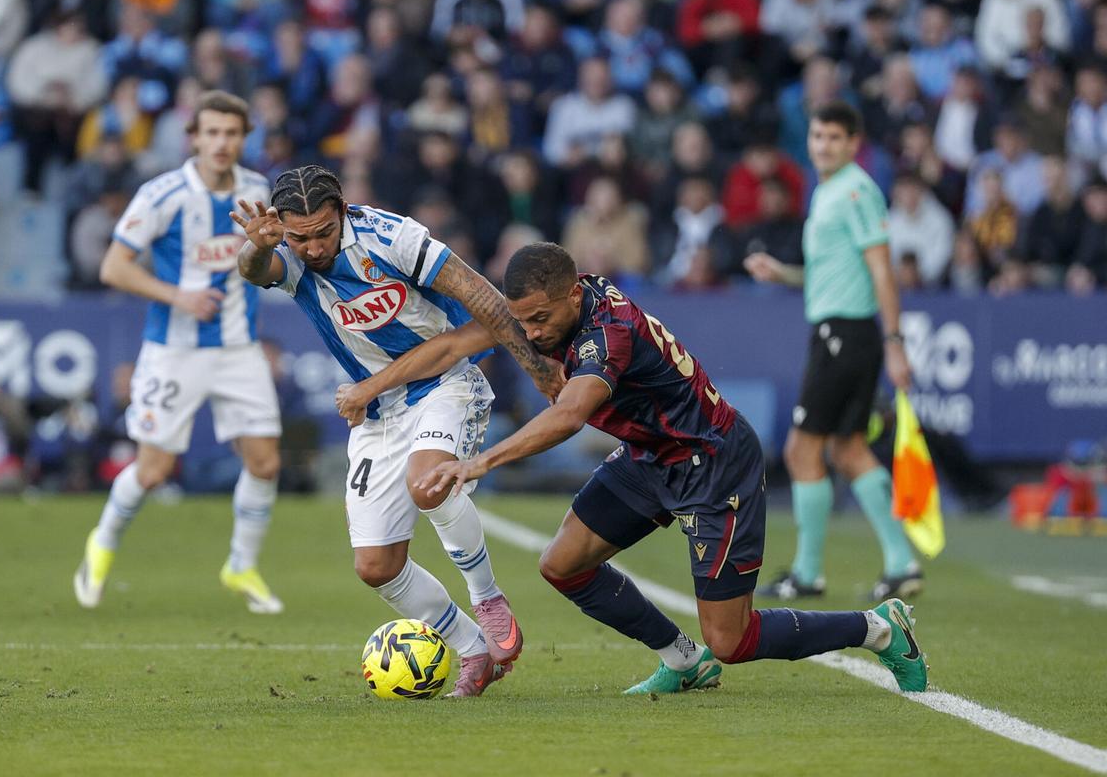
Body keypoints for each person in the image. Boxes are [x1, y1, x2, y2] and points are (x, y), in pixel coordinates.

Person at [336, 243, 927, 697]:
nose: (532, 334)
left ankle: (878, 627)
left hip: (711, 462)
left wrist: (481, 461)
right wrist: (372, 386)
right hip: (649, 457)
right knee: (563, 565)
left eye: (540, 321)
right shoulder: (550, 308)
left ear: (572, 297)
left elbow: (569, 416)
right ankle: (680, 660)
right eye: (524, 322)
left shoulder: (607, 332)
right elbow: (452, 347)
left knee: (733, 639)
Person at [232, 165, 563, 697]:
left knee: (428, 481)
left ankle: (488, 596)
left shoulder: (394, 237)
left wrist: (536, 364)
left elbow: (477, 293)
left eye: (323, 232)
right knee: (375, 566)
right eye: (300, 237)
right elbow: (254, 270)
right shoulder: (289, 253)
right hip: (378, 412)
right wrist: (256, 247)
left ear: (342, 210)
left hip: (444, 385)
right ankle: (475, 650)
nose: (313, 248)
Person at [73, 90, 286, 616]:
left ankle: (241, 565)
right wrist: (179, 296)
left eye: (231, 133)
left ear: (243, 138)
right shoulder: (161, 194)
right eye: (211, 132)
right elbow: (113, 268)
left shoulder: (258, 189)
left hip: (238, 348)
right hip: (174, 350)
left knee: (264, 462)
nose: (221, 143)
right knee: (151, 472)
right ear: (193, 137)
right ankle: (100, 544)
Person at [744, 101, 921, 602]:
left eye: (834, 138)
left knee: (803, 449)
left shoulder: (857, 191)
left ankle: (807, 572)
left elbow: (882, 269)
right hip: (842, 330)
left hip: (846, 333)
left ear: (853, 143)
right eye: (817, 136)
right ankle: (902, 562)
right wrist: (782, 273)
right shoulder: (828, 192)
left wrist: (895, 343)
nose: (823, 145)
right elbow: (830, 272)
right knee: (846, 448)